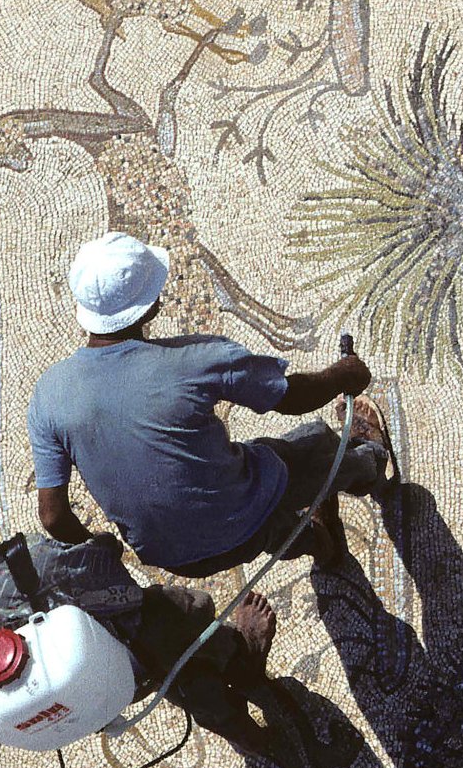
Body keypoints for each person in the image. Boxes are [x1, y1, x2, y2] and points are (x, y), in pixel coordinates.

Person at [0, 459, 304, 763]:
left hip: (74, 704)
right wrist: (102, 546)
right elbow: (123, 594)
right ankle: (240, 663)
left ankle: (240, 728)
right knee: (176, 607)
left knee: (148, 638)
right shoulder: (34, 559)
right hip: (125, 663)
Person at [26, 231, 391, 577]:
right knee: (314, 443)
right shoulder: (196, 360)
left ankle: (321, 547)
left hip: (173, 557)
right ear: (150, 307)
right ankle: (371, 466)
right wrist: (342, 376)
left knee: (260, 522)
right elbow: (291, 397)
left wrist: (99, 548)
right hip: (241, 517)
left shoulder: (48, 394)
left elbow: (53, 517)